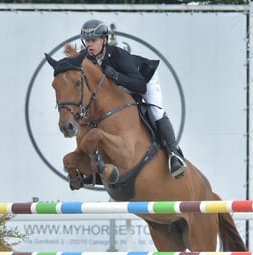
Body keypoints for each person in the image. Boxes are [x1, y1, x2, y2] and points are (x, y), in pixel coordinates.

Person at [78, 19, 187, 178]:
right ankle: (94, 164)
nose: (90, 44)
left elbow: (140, 86)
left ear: (105, 40)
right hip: (121, 86)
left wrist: (115, 75)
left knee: (155, 111)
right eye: (87, 41)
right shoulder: (86, 58)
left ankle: (174, 155)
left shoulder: (118, 55)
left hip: (144, 80)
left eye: (94, 40)